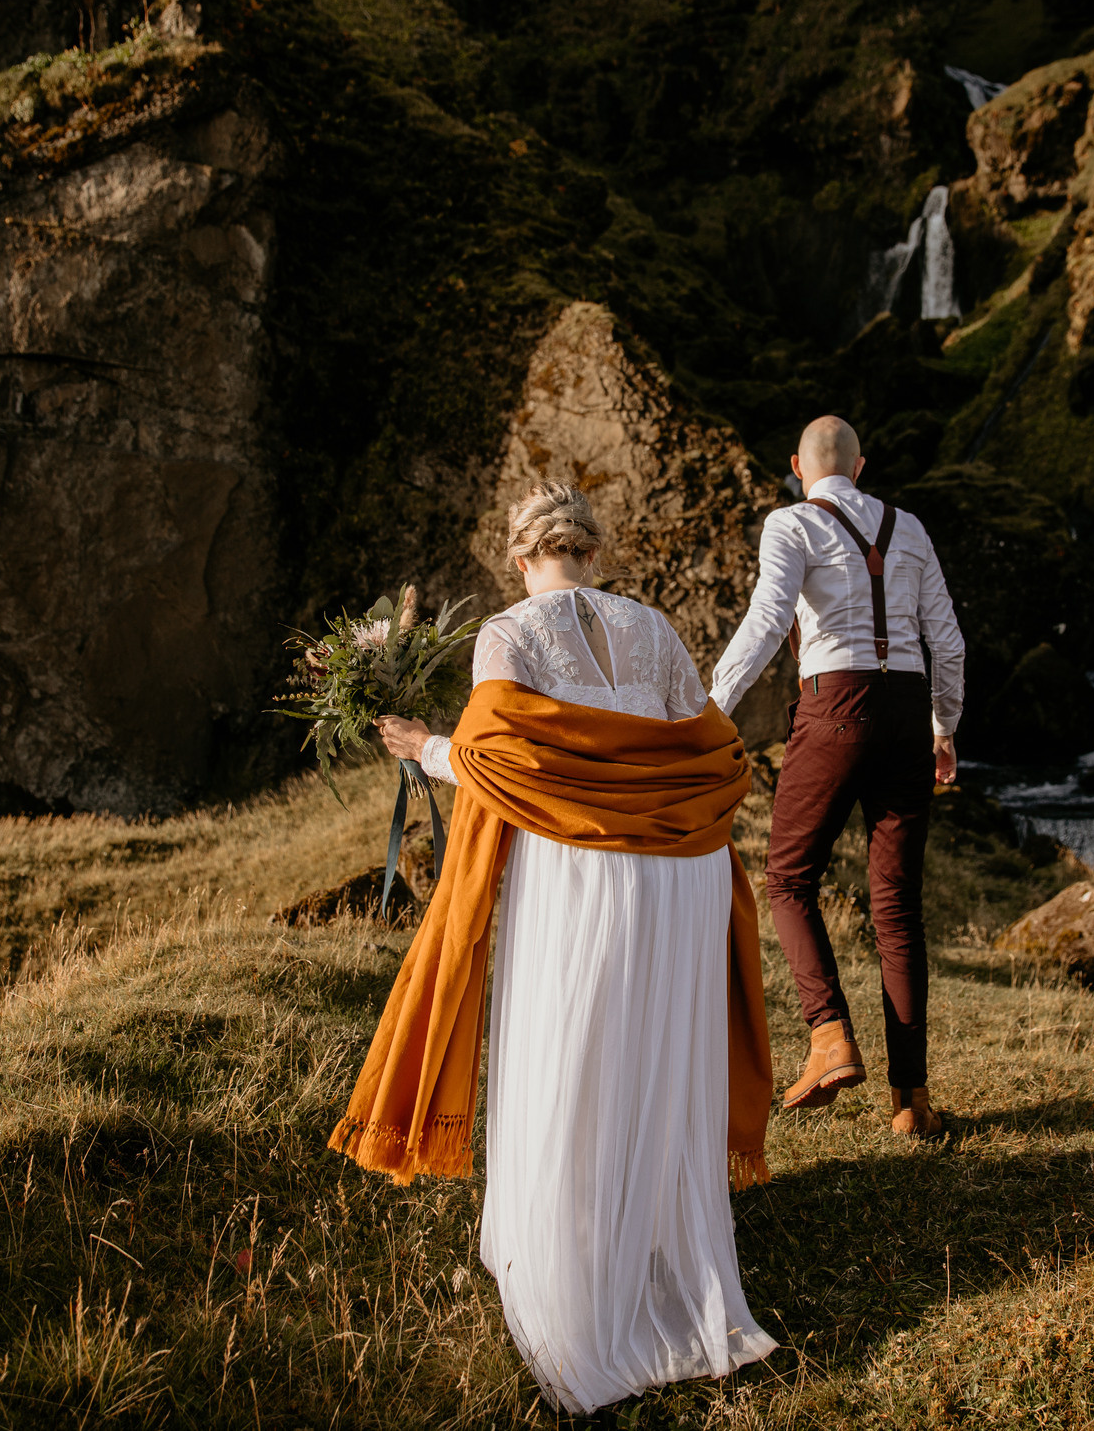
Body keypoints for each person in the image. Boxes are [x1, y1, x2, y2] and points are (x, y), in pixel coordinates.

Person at [330, 481, 779, 1417]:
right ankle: (663, 1253)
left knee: (570, 1056)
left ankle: (577, 1300)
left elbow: (507, 765)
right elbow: (697, 742)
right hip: (683, 869)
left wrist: (424, 745)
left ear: (519, 553)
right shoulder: (654, 628)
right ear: (592, 549)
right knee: (657, 1055)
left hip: (586, 872)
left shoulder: (508, 634)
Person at [709, 414, 966, 1139]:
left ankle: (829, 1035)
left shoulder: (790, 523)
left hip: (835, 707)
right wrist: (943, 727)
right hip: (909, 709)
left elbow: (767, 620)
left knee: (789, 879)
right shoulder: (910, 528)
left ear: (798, 464)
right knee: (898, 910)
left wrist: (709, 710)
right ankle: (911, 1100)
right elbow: (946, 637)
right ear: (859, 465)